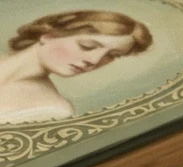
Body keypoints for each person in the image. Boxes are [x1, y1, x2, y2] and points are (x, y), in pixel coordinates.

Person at [0, 10, 153, 124]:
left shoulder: (53, 110)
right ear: (49, 36)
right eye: (87, 46)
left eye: (112, 55)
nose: (94, 60)